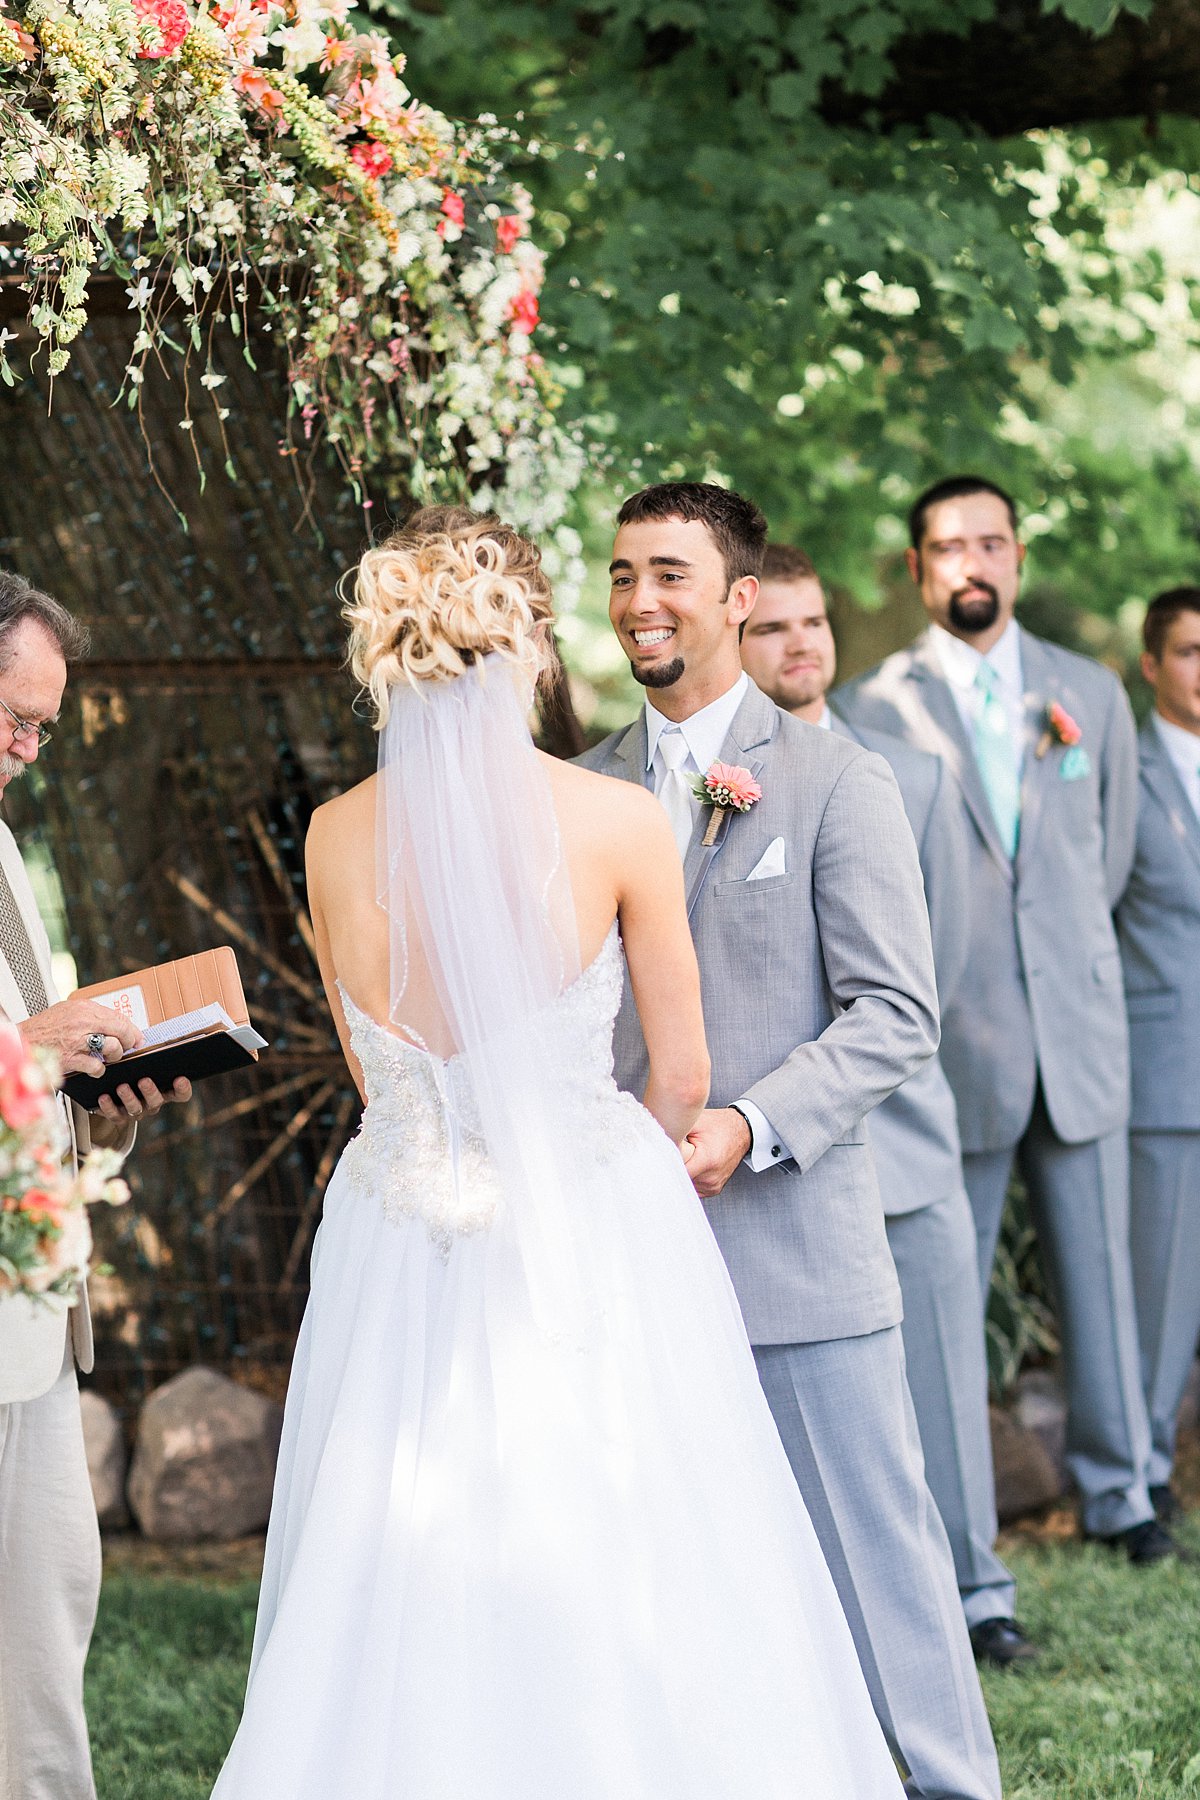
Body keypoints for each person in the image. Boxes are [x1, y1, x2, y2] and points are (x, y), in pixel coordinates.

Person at [211, 506, 908, 1800]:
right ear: (528, 646)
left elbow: (378, 1072)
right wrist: (603, 1180)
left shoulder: (330, 837)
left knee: (394, 1552)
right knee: (633, 1527)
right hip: (590, 1219)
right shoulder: (616, 818)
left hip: (398, 1223)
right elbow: (683, 1074)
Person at [582, 484, 1001, 1800]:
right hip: (632, 1270)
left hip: (795, 1259)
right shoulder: (580, 791)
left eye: (669, 575)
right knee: (681, 1582)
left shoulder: (834, 779)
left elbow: (895, 1018)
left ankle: (950, 1785)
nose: (641, 601)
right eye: (621, 574)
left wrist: (750, 1124)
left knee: (881, 1570)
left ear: (737, 597)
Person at [836, 474, 1175, 1563]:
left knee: (1105, 1282)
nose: (972, 564)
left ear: (1018, 557)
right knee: (945, 1296)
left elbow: (1109, 854)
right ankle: (954, 1523)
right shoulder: (873, 706)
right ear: (919, 569)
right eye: (948, 548)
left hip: (1078, 1034)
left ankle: (1123, 1495)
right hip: (949, 1040)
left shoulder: (1092, 694)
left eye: (990, 543)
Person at [740, 541, 1033, 1667]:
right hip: (773, 1159)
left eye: (813, 625)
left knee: (947, 1389)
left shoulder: (909, 778)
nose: (800, 645)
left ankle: (979, 1593)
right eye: (774, 629)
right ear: (738, 634)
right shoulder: (707, 785)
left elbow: (935, 970)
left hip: (909, 1141)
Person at [0, 573, 192, 1800]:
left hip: (28, 1308)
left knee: (49, 1616)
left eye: (39, 730)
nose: (23, 751)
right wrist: (34, 1053)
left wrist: (90, 1096)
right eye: (8, 718)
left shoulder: (6, 852)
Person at [1116, 586, 1200, 1523]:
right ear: (1151, 665)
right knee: (1161, 1295)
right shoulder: (1122, 772)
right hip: (1170, 1073)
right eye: (1190, 651)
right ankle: (1142, 1479)